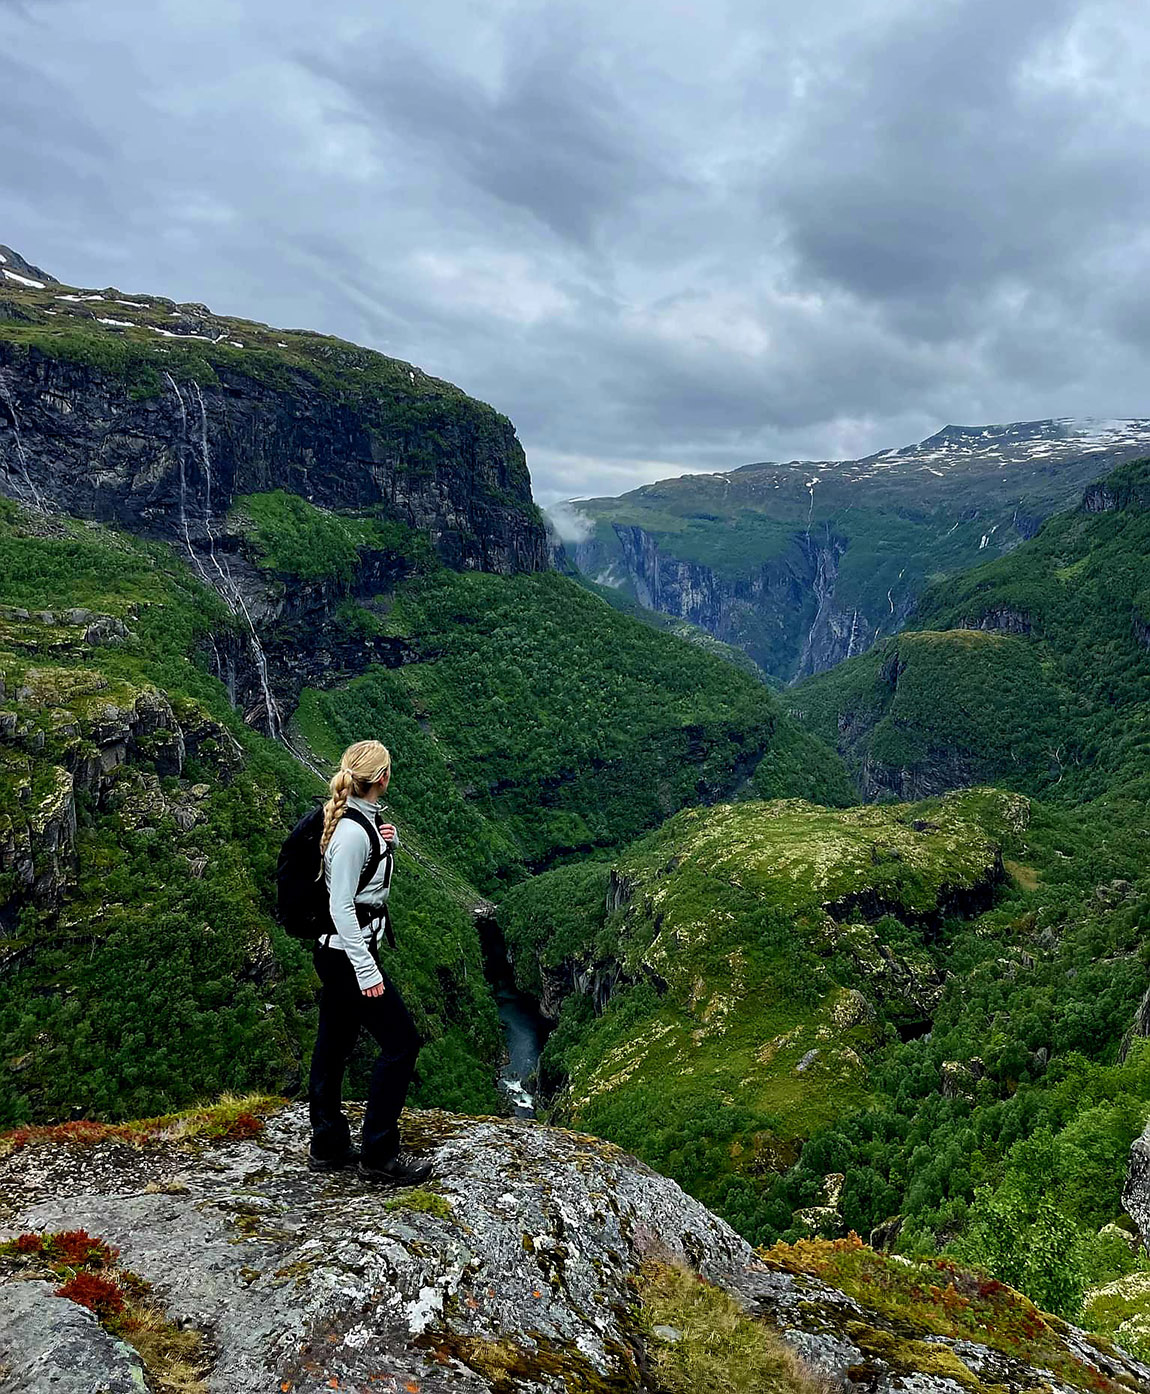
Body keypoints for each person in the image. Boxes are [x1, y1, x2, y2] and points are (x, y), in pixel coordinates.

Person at [307, 739, 431, 1184]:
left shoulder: (358, 823)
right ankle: (379, 1154)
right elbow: (342, 907)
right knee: (401, 1044)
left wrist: (385, 842)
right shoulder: (354, 833)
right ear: (381, 778)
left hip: (339, 952)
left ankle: (328, 1144)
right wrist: (366, 969)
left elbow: (358, 877)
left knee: (335, 1043)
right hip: (348, 954)